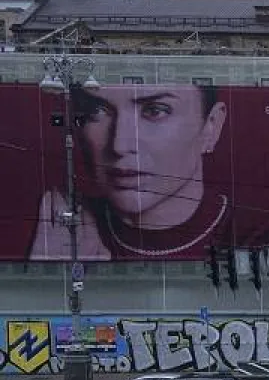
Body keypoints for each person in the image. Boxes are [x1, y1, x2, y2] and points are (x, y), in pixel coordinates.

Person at [31, 82, 229, 261]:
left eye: (155, 111)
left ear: (211, 126)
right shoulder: (55, 228)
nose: (119, 145)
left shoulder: (254, 235)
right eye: (96, 111)